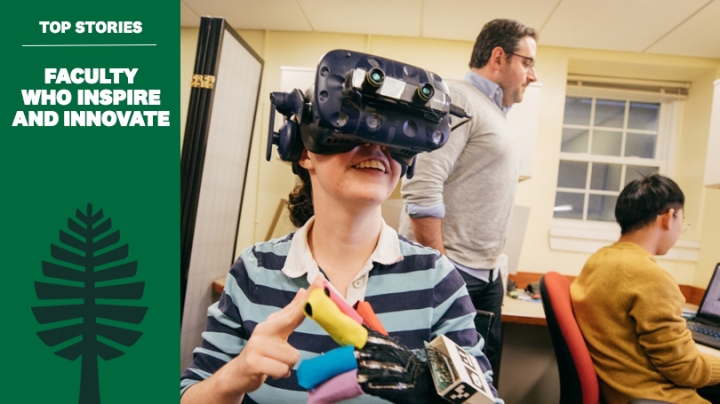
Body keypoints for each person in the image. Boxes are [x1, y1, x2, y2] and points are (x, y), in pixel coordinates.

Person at [180, 51, 501, 404]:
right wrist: (235, 375)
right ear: (304, 152)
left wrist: (430, 388)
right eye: (352, 129)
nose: (377, 150)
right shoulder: (255, 271)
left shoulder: (436, 278)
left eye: (394, 143)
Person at [398, 18, 538, 371]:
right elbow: (421, 187)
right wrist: (441, 270)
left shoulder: (493, 114)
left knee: (480, 387)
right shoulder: (457, 98)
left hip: (484, 277)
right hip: (452, 273)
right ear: (498, 57)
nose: (532, 76)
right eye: (527, 62)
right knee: (442, 385)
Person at [571, 174, 720, 404]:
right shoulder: (649, 276)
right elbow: (686, 369)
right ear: (669, 218)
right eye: (684, 222)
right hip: (658, 398)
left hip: (622, 392)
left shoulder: (598, 261)